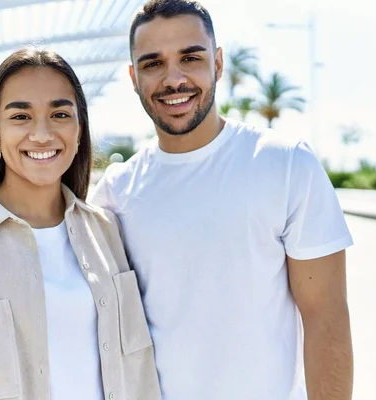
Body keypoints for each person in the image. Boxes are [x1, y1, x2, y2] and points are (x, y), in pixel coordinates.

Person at [90, 1, 354, 399]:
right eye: (153, 64)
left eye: (190, 58)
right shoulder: (115, 191)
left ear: (217, 63)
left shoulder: (284, 164)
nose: (173, 78)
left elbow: (325, 317)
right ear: (133, 77)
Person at [0, 47, 161, 400]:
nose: (42, 134)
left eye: (60, 114)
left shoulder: (106, 231)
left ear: (79, 130)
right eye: (21, 117)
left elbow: (140, 372)